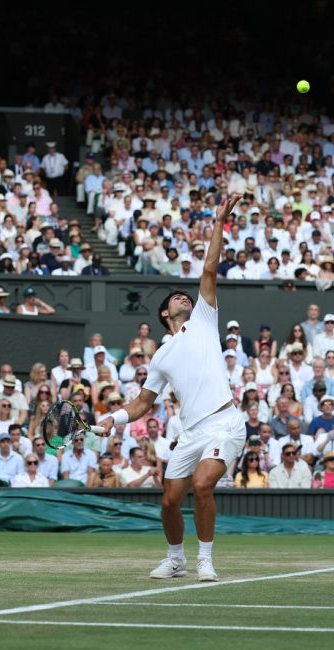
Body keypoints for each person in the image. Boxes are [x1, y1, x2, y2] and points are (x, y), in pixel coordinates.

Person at [94, 193, 244, 582]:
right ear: (164, 314)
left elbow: (209, 269)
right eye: (175, 298)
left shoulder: (204, 318)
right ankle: (176, 558)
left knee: (202, 483)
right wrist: (113, 418)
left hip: (225, 423)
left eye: (185, 296)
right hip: (190, 431)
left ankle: (205, 559)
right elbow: (144, 403)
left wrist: (218, 223)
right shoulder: (160, 356)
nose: (183, 296)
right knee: (168, 501)